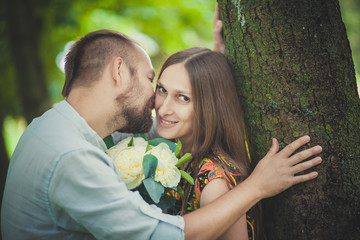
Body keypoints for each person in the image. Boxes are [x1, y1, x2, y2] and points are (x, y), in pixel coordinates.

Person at [1, 29, 322, 240]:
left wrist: (214, 67)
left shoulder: (54, 128)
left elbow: (178, 118)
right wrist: (257, 187)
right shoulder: (72, 156)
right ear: (117, 72)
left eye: (180, 96)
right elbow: (159, 235)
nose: (158, 102)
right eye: (153, 82)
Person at [154, 47, 265, 239]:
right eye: (162, 90)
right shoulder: (173, 150)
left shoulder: (214, 181)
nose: (163, 109)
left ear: (209, 107)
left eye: (183, 98)